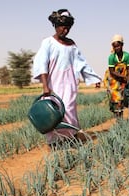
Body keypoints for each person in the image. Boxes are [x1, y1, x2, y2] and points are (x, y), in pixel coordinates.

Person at [32, 9, 101, 148]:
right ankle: (54, 142)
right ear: (56, 25)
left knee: (69, 110)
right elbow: (42, 64)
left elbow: (82, 63)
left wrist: (94, 78)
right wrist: (45, 86)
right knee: (53, 113)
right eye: (63, 26)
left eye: (68, 27)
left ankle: (70, 138)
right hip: (53, 85)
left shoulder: (71, 44)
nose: (65, 30)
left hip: (69, 84)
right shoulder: (48, 42)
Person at [105, 34, 129, 118]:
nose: (117, 48)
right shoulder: (111, 57)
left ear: (122, 45)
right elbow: (112, 72)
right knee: (116, 99)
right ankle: (118, 117)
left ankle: (120, 117)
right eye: (115, 46)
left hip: (123, 80)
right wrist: (124, 77)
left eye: (118, 46)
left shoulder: (127, 56)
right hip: (113, 80)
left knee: (122, 99)